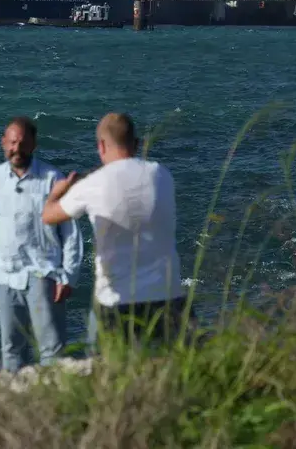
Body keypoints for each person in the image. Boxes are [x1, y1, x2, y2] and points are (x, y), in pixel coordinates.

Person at [42, 112, 189, 351]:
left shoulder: (92, 184)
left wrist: (59, 191)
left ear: (101, 145)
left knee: (108, 366)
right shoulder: (162, 174)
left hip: (117, 301)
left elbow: (48, 216)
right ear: (136, 143)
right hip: (168, 295)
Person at [0, 117, 83, 373]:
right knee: (11, 350)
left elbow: (70, 231)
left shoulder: (52, 178)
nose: (17, 149)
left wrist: (69, 276)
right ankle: (16, 398)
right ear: (3, 143)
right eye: (12, 143)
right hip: (4, 275)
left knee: (52, 350)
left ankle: (56, 397)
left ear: (34, 144)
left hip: (43, 273)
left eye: (23, 144)